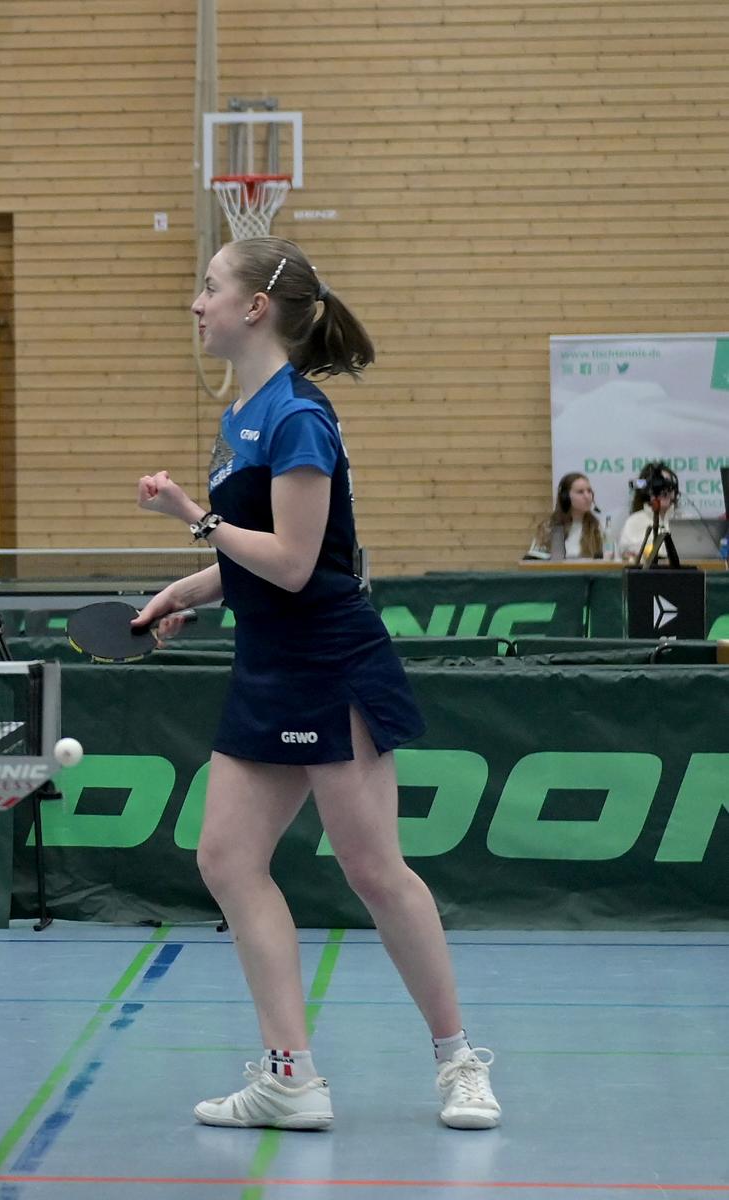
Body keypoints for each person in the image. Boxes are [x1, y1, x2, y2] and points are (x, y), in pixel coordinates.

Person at [132, 236, 500, 1131]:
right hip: (267, 665)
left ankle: (458, 1062)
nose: (197, 303)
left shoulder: (298, 416)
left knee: (374, 871)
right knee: (227, 861)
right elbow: (256, 559)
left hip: (331, 662)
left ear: (254, 307)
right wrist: (187, 590)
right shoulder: (243, 415)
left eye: (209, 287)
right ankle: (288, 1076)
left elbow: (296, 564)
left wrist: (192, 518)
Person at [526, 472, 611, 560]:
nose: (587, 496)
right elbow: (534, 561)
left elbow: (609, 559)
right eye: (580, 492)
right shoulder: (549, 527)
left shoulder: (598, 527)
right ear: (565, 497)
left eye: (589, 491)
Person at [617, 461, 680, 565]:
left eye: (667, 484)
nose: (664, 490)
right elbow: (626, 558)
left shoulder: (688, 522)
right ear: (646, 491)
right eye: (657, 486)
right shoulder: (633, 523)